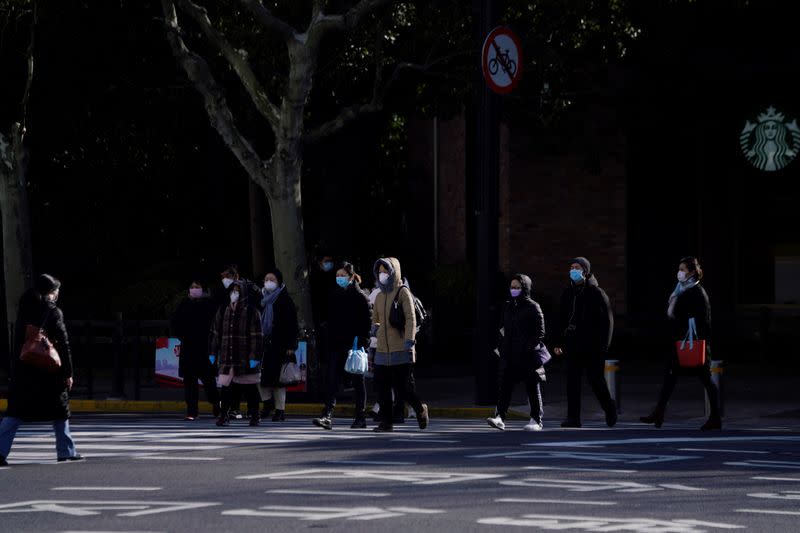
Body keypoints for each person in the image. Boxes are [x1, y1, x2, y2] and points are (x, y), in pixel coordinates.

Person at [0, 274, 82, 465]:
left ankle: (0, 451)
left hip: (25, 371)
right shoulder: (53, 312)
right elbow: (63, 344)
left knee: (15, 414)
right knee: (60, 412)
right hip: (49, 371)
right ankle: (66, 451)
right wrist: (68, 372)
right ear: (51, 292)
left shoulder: (24, 310)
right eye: (57, 290)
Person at [640, 257, 721, 430]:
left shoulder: (696, 292)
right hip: (682, 344)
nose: (680, 272)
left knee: (706, 380)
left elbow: (699, 320)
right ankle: (659, 413)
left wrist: (691, 335)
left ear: (692, 272)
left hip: (693, 345)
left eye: (683, 269)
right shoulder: (683, 290)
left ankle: (715, 417)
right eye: (679, 269)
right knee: (670, 378)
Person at [553, 257, 617, 428]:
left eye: (577, 267)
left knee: (596, 380)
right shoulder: (568, 292)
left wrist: (603, 346)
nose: (573, 270)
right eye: (571, 267)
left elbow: (607, 322)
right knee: (572, 381)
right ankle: (573, 418)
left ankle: (610, 408)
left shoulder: (597, 293)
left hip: (593, 345)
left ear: (586, 271)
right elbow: (561, 318)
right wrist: (558, 341)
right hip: (573, 344)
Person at [370, 257, 429, 432]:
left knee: (403, 388)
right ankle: (387, 422)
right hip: (382, 349)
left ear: (393, 272)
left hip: (401, 347)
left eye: (385, 271)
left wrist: (409, 341)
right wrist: (375, 329)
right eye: (379, 271)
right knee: (382, 387)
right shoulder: (379, 296)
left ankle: (420, 409)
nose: (382, 274)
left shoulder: (403, 293)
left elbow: (410, 318)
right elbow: (376, 319)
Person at [312, 262, 372, 430]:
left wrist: (361, 342)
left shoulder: (360, 296)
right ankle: (327, 414)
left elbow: (367, 322)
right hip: (336, 345)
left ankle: (360, 416)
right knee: (332, 380)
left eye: (342, 275)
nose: (339, 278)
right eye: (337, 275)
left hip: (354, 345)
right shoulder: (335, 294)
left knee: (358, 381)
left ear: (351, 277)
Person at [487, 274, 547, 431]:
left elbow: (540, 333)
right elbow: (502, 329)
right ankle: (500, 417)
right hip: (510, 354)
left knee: (532, 387)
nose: (513, 290)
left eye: (517, 287)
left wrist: (527, 347)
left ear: (525, 288)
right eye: (512, 287)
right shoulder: (508, 306)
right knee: (505, 387)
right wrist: (501, 346)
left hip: (527, 355)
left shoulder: (533, 307)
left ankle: (536, 419)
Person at [209, 281, 263, 426]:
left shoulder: (252, 312)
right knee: (226, 387)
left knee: (250, 387)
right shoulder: (223, 310)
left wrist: (255, 357)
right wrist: (213, 352)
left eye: (237, 291)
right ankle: (224, 415)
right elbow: (215, 333)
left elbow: (257, 337)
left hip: (244, 357)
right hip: (227, 357)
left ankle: (255, 414)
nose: (234, 293)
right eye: (233, 290)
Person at [171, 279, 220, 421]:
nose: (194, 289)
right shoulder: (184, 304)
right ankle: (192, 411)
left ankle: (216, 402)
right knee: (189, 382)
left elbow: (215, 325)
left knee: (209, 381)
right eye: (192, 287)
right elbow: (175, 323)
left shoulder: (209, 305)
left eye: (197, 287)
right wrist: (182, 335)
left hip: (205, 348)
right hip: (188, 348)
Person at [259, 268, 299, 423]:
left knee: (279, 380)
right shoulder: (263, 299)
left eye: (272, 279)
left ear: (279, 282)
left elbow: (292, 324)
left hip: (281, 345)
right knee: (261, 377)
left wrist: (291, 345)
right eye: (266, 279)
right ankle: (268, 403)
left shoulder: (285, 300)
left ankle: (280, 410)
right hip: (265, 344)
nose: (268, 282)